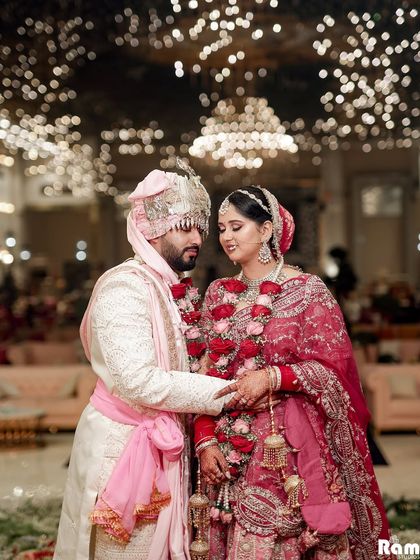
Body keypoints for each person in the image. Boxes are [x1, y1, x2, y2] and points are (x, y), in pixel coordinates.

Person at [54, 166, 266, 560]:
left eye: (200, 228)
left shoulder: (167, 287)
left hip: (162, 439)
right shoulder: (125, 286)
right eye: (184, 227)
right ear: (152, 229)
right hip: (123, 452)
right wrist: (231, 391)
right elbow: (137, 381)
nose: (197, 239)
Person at [194, 186, 394, 560]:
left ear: (266, 230)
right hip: (224, 448)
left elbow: (335, 374)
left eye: (237, 227)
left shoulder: (307, 292)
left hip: (284, 449)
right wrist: (205, 441)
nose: (226, 237)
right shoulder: (218, 294)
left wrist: (273, 377)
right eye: (221, 229)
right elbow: (203, 375)